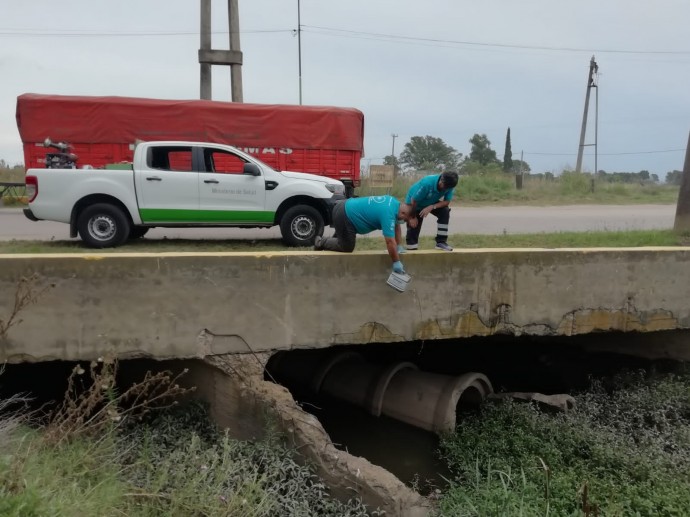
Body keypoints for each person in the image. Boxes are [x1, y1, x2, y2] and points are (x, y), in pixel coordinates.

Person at [314, 195, 413, 274]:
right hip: (345, 215)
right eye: (405, 219)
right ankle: (320, 241)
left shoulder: (394, 203)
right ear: (403, 213)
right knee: (346, 246)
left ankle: (324, 250)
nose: (403, 222)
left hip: (345, 207)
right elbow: (390, 242)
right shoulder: (388, 214)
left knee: (341, 243)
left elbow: (396, 226)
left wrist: (399, 245)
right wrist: (396, 261)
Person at [404, 171, 459, 251]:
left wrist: (432, 206)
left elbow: (447, 202)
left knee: (445, 211)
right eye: (444, 186)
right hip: (414, 204)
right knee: (414, 227)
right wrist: (412, 216)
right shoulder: (427, 183)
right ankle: (411, 246)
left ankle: (441, 242)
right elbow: (414, 200)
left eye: (447, 188)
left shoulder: (449, 186)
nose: (444, 189)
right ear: (441, 179)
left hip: (430, 202)